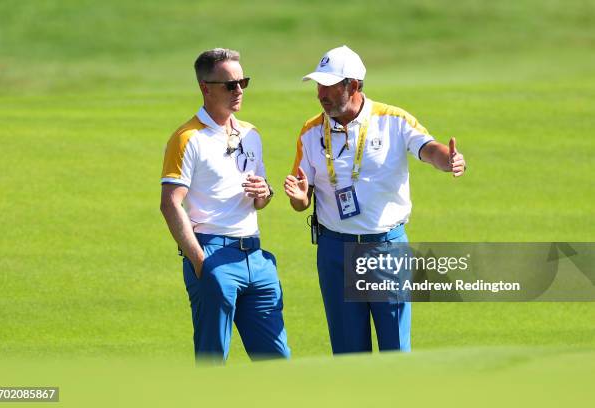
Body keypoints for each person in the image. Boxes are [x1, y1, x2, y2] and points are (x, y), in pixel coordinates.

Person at [284, 45, 466, 354]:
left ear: (352, 85)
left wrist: (447, 160)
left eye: (328, 86)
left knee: (394, 351)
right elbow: (302, 197)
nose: (320, 94)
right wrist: (300, 199)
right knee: (348, 354)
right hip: (334, 251)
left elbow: (428, 148)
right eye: (318, 85)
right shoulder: (311, 130)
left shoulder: (393, 119)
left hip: (385, 248)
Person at [160, 48, 290, 363]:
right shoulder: (187, 138)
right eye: (230, 85)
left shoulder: (251, 134)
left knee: (277, 360)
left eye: (243, 82)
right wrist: (200, 262)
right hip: (212, 253)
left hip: (256, 258)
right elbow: (170, 203)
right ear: (206, 87)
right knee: (213, 360)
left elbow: (259, 199)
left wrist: (265, 192)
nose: (239, 91)